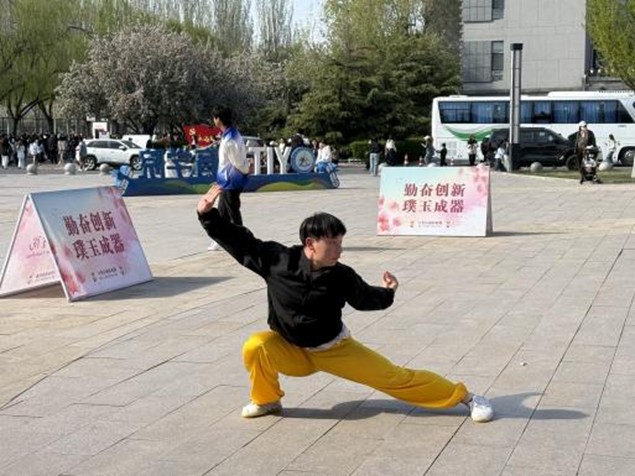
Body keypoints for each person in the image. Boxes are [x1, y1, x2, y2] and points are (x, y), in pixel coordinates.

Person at [196, 184, 495, 422]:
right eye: (333, 243)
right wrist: (208, 215)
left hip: (334, 349)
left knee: (395, 377)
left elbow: (365, 299)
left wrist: (388, 292)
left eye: (341, 242)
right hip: (291, 349)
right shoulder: (277, 261)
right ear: (310, 244)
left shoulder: (341, 276)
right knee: (256, 345)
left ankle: (466, 397)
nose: (339, 249)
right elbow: (242, 243)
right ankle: (267, 400)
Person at [207, 105, 250, 251]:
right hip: (226, 180)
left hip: (231, 181)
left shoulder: (231, 138)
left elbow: (237, 161)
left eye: (214, 118)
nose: (213, 120)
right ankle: (220, 239)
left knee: (232, 212)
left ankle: (243, 241)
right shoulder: (228, 135)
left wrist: (245, 171)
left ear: (218, 119)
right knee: (223, 212)